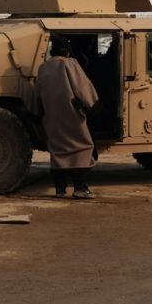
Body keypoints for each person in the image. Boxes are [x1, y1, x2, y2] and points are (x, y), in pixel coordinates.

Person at [35, 37, 100, 199]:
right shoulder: (70, 64)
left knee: (58, 149)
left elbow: (37, 93)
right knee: (82, 147)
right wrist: (94, 105)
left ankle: (60, 189)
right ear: (67, 50)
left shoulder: (43, 67)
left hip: (51, 114)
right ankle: (80, 188)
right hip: (71, 113)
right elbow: (82, 87)